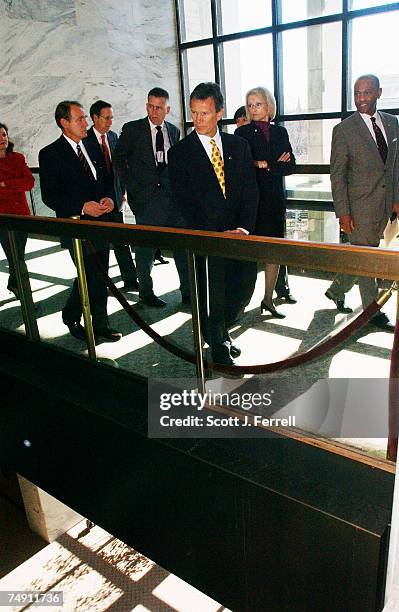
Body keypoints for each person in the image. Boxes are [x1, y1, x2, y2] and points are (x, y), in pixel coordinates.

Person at [168, 82, 259, 365]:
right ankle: (217, 340)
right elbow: (183, 203)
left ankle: (221, 330)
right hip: (206, 238)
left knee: (243, 287)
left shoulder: (239, 146)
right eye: (194, 113)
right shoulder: (180, 153)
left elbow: (250, 191)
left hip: (239, 236)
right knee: (212, 294)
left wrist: (243, 227)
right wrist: (215, 232)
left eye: (205, 113)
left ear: (219, 112)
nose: (198, 120)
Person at [39, 100, 122, 343]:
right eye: (80, 119)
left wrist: (108, 197)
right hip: (76, 226)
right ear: (64, 123)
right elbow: (50, 195)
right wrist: (82, 207)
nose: (86, 123)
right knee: (90, 275)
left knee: (100, 274)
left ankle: (100, 324)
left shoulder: (93, 146)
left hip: (101, 224)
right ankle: (75, 315)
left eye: (85, 118)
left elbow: (106, 178)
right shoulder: (50, 154)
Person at [325, 74, 399, 331]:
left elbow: (395, 166)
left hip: (386, 204)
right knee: (368, 258)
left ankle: (335, 290)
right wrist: (343, 213)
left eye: (367, 93)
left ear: (378, 93)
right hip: (359, 207)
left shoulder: (392, 123)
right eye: (357, 93)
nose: (361, 99)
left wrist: (396, 199)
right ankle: (372, 311)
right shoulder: (343, 129)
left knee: (362, 254)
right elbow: (338, 175)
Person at [113, 87, 186, 307]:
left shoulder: (173, 131)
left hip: (172, 200)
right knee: (146, 250)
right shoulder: (132, 129)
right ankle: (146, 291)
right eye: (151, 107)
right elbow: (118, 159)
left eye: (159, 108)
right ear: (147, 106)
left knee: (181, 245)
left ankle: (188, 292)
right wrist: (131, 187)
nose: (154, 112)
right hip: (145, 200)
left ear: (167, 109)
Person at [236, 86, 296, 318]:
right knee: (250, 255)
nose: (253, 108)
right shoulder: (242, 134)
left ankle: (268, 299)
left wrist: (265, 163)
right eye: (250, 105)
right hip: (251, 201)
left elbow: (290, 165)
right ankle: (240, 303)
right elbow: (242, 166)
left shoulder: (280, 133)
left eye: (257, 104)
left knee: (274, 252)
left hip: (274, 200)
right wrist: (269, 163)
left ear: (268, 105)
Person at [84, 100, 138, 292]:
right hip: (95, 204)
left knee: (121, 240)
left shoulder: (114, 137)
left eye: (112, 117)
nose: (110, 122)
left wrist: (122, 192)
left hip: (114, 198)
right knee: (101, 248)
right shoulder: (84, 139)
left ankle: (131, 280)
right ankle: (99, 283)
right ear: (95, 118)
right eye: (106, 118)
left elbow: (119, 169)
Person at [0, 122, 34, 298]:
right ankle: (23, 292)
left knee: (18, 253)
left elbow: (29, 183)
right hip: (3, 217)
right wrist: (16, 184)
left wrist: (6, 183)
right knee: (16, 257)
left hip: (22, 214)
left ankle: (14, 283)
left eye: (4, 135)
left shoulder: (18, 158)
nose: (2, 139)